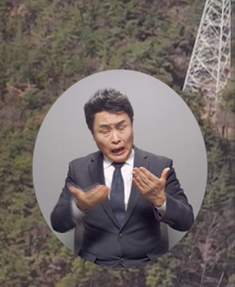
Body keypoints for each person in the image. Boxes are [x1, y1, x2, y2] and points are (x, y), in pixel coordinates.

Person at [49, 88, 194, 267]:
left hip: (148, 266)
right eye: (105, 131)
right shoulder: (78, 168)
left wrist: (161, 200)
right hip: (95, 268)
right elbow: (58, 222)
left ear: (132, 123)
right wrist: (81, 205)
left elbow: (186, 221)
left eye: (121, 127)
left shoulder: (160, 166)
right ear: (92, 132)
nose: (116, 138)